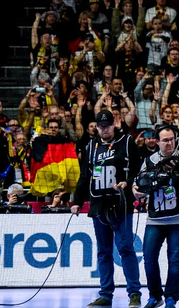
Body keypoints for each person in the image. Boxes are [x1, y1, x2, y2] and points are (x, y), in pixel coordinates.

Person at [73, 108, 143, 308]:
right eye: (100, 126)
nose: (104, 130)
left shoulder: (127, 142)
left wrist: (127, 183)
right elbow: (84, 176)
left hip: (120, 205)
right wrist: (77, 201)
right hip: (98, 205)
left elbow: (138, 169)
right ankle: (105, 294)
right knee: (103, 251)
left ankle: (134, 293)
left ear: (114, 124)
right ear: (96, 127)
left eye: (107, 126)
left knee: (125, 248)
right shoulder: (90, 146)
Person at [135, 123, 179, 308]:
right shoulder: (149, 161)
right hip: (155, 218)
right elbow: (139, 185)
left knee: (175, 259)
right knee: (148, 257)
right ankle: (155, 296)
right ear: (157, 141)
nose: (169, 143)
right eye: (165, 140)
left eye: (172, 140)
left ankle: (171, 298)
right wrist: (136, 192)